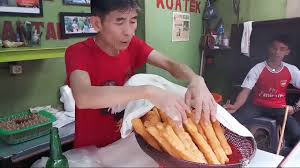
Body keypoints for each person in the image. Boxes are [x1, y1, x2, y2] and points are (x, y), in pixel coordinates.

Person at [65, 0, 217, 148]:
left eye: (133, 21)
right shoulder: (78, 52)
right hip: (91, 150)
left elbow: (170, 65)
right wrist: (149, 91)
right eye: (120, 21)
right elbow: (83, 97)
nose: (129, 32)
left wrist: (195, 79)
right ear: (97, 23)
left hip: (125, 143)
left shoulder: (133, 45)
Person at [224, 35, 300, 148]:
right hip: (257, 107)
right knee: (233, 124)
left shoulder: (291, 70)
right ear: (269, 48)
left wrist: (295, 108)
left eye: (282, 49)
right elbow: (245, 91)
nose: (277, 52)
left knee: (296, 134)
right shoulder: (257, 68)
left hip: (279, 109)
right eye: (274, 48)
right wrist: (235, 106)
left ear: (287, 52)